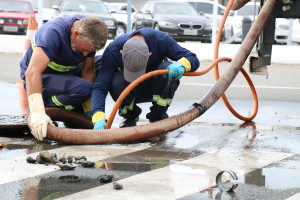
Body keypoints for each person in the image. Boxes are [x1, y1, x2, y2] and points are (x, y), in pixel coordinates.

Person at [20, 15, 108, 141]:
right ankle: (47, 105)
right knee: (83, 87)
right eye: (84, 49)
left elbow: (88, 71)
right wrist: (37, 112)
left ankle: (77, 106)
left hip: (67, 73)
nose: (85, 54)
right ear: (76, 34)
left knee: (104, 65)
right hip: (39, 78)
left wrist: (90, 110)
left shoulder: (91, 30)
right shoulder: (52, 33)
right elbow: (32, 72)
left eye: (90, 51)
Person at [91, 27, 200, 129]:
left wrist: (182, 64)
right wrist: (98, 116)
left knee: (167, 71)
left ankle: (158, 116)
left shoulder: (161, 40)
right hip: (128, 87)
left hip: (155, 85)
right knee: (115, 82)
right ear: (122, 53)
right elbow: (100, 86)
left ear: (149, 54)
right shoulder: (113, 49)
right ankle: (130, 116)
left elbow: (192, 58)